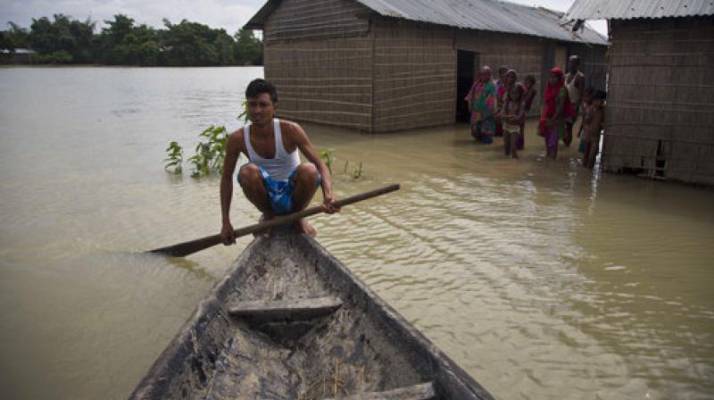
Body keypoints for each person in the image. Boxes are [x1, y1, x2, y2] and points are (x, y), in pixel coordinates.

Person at [220, 79, 339, 243]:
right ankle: (269, 216)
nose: (257, 110)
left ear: (275, 107)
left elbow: (321, 165)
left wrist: (329, 196)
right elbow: (226, 179)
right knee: (247, 172)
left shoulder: (290, 130)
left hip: (294, 194)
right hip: (266, 198)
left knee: (310, 170)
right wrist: (226, 222)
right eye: (252, 105)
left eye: (263, 105)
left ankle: (297, 217)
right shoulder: (238, 138)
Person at [539, 67, 574, 159]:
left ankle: (552, 159)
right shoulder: (549, 88)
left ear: (559, 78)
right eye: (550, 77)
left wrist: (553, 119)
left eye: (554, 77)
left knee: (553, 141)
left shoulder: (562, 90)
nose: (551, 79)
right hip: (547, 117)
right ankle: (548, 158)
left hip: (557, 119)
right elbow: (545, 103)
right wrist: (543, 118)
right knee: (547, 139)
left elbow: (561, 107)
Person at [465, 66, 498, 144]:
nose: (484, 76)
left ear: (490, 75)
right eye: (482, 74)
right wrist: (470, 104)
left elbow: (492, 99)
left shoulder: (492, 85)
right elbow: (471, 95)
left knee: (486, 133)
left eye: (486, 74)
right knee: (475, 131)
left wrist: (491, 111)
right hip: (476, 111)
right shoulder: (476, 84)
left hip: (486, 112)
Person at [581, 90, 606, 169]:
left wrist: (602, 125)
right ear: (594, 100)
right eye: (598, 101)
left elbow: (603, 122)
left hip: (595, 136)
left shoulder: (602, 111)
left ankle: (589, 168)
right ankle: (585, 168)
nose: (600, 103)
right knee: (586, 153)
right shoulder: (590, 109)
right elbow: (586, 121)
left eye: (602, 101)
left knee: (593, 153)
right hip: (588, 134)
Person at [564, 55, 585, 147]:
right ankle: (565, 145)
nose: (570, 65)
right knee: (563, 126)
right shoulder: (566, 76)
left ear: (577, 65)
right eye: (569, 62)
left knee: (569, 126)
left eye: (573, 63)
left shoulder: (580, 77)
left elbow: (581, 94)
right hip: (564, 105)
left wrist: (576, 107)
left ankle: (567, 145)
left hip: (573, 105)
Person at [502, 83, 526, 159]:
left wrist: (516, 117)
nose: (514, 95)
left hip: (515, 127)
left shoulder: (521, 103)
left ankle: (516, 162)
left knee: (513, 148)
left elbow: (520, 115)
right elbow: (502, 114)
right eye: (512, 93)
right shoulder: (507, 102)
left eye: (516, 93)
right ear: (509, 93)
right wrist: (508, 116)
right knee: (506, 147)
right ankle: (506, 165)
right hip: (506, 126)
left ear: (520, 94)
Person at [520, 75, 538, 150]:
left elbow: (526, 100)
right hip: (521, 109)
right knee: (519, 127)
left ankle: (521, 145)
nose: (527, 83)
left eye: (529, 82)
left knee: (521, 128)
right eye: (526, 81)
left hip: (524, 110)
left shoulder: (532, 90)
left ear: (532, 83)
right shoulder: (524, 89)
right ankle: (519, 144)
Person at [494, 66, 509, 137]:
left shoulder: (510, 85)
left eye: (506, 75)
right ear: (499, 75)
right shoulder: (495, 84)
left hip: (507, 106)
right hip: (497, 105)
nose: (504, 77)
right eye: (503, 74)